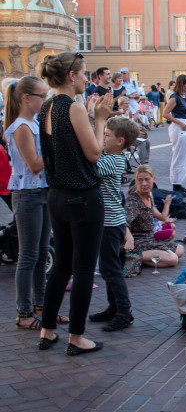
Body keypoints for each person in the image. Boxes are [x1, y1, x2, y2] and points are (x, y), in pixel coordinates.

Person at [38, 51, 113, 356]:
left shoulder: (46, 106)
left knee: (61, 268)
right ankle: (77, 337)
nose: (86, 78)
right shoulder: (73, 107)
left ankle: (47, 331)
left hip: (56, 195)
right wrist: (101, 120)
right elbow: (95, 153)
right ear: (71, 75)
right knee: (83, 269)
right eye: (83, 73)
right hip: (82, 195)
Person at [4, 77, 58, 331]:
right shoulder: (21, 126)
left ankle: (40, 306)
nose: (44, 100)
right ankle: (24, 311)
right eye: (41, 96)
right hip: (27, 194)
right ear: (26, 98)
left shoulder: (33, 123)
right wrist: (56, 147)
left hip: (41, 192)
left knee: (40, 253)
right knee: (27, 256)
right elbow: (34, 164)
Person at [89, 117, 139, 332]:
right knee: (110, 268)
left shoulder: (111, 160)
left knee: (111, 269)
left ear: (119, 141)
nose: (103, 138)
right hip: (111, 221)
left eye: (106, 135)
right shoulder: (113, 157)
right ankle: (114, 306)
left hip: (110, 223)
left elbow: (90, 166)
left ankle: (124, 312)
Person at [125, 165, 185, 268]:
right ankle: (130, 256)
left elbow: (162, 217)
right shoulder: (133, 201)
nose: (144, 184)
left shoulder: (148, 197)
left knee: (180, 250)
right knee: (173, 259)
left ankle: (144, 258)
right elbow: (123, 222)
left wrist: (167, 204)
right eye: (140, 180)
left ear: (153, 179)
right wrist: (129, 239)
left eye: (147, 180)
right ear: (136, 181)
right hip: (138, 242)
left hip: (150, 239)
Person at [163, 74, 186, 196]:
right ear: (182, 84)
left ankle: (180, 183)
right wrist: (180, 123)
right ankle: (175, 184)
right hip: (179, 126)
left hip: (185, 124)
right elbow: (165, 113)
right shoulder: (174, 97)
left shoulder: (185, 95)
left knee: (185, 155)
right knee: (178, 155)